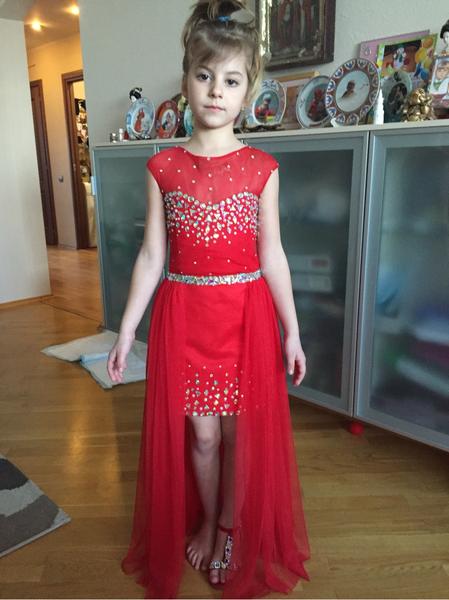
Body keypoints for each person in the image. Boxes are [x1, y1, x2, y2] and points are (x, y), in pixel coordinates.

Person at [107, 0, 310, 597]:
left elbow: (273, 254)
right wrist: (126, 330)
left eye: (231, 80)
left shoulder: (262, 168)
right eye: (204, 75)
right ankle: (203, 518)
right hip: (186, 321)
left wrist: (293, 331)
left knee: (240, 435)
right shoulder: (163, 166)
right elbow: (152, 256)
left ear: (248, 92)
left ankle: (228, 527)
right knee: (201, 436)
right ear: (187, 80)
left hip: (246, 321)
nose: (216, 90)